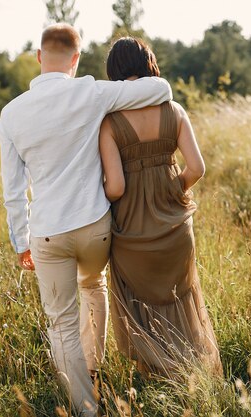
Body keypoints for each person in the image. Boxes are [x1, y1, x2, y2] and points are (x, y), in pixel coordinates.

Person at [0, 24, 172, 416]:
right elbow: (161, 90)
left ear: (40, 57)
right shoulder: (90, 92)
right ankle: (95, 367)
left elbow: (13, 190)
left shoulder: (11, 114)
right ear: (76, 59)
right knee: (93, 286)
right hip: (95, 229)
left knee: (60, 322)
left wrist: (21, 242)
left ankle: (85, 406)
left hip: (46, 235)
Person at [99, 37, 222, 378]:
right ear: (149, 63)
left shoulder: (109, 121)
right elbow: (196, 168)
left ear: (115, 72)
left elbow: (117, 187)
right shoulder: (174, 110)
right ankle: (191, 375)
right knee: (181, 297)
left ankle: (156, 377)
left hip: (131, 230)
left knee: (139, 303)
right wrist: (169, 189)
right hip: (174, 225)